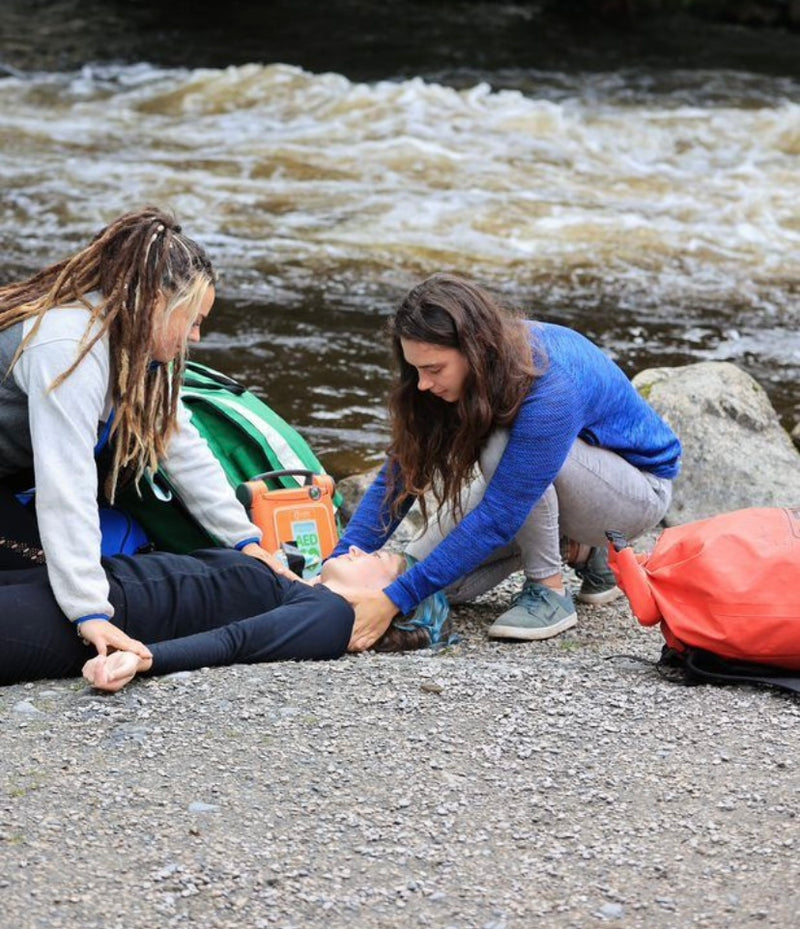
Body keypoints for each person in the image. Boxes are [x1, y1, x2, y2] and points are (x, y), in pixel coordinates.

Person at [0, 207, 291, 662]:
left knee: (130, 551)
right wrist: (91, 613)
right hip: (24, 483)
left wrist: (247, 541)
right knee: (78, 581)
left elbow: (182, 446)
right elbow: (66, 481)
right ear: (155, 302)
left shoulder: (135, 344)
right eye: (193, 320)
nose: (195, 336)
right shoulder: (68, 345)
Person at [333, 273, 682, 649]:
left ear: (475, 350)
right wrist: (334, 565)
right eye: (416, 369)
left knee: (499, 445)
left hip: (634, 493)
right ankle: (579, 550)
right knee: (435, 583)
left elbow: (500, 515)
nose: (422, 384)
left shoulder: (551, 380)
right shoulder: (454, 374)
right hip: (542, 479)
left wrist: (391, 601)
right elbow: (399, 476)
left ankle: (548, 590)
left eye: (433, 370)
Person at [0, 544, 450, 690]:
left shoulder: (330, 617)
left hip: (102, 619)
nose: (354, 548)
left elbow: (237, 641)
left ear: (389, 601)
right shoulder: (294, 581)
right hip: (86, 586)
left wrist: (142, 659)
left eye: (376, 556)